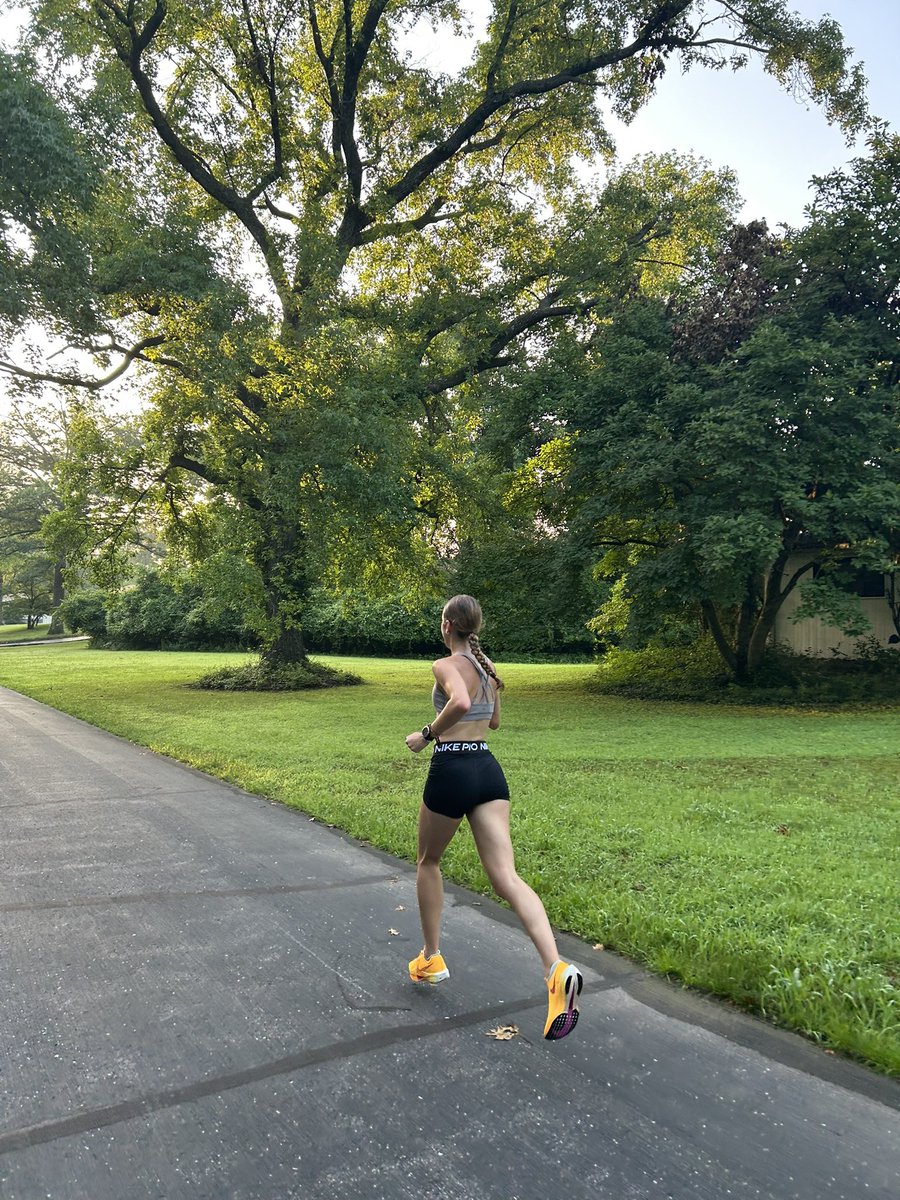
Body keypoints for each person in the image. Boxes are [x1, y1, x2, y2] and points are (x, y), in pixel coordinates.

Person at [404, 594, 583, 1041]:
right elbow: (495, 721)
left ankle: (430, 958)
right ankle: (555, 969)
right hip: (487, 769)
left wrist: (426, 734)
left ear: (448, 625)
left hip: (452, 767)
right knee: (507, 877)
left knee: (428, 861)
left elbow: (460, 703)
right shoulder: (487, 667)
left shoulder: (445, 665)